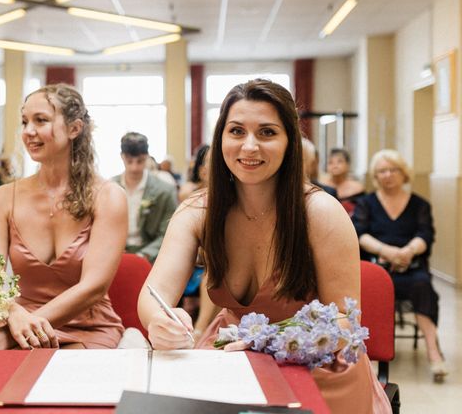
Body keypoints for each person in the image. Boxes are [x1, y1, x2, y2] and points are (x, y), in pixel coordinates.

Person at [138, 80, 391, 413]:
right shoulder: (197, 211)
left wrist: (267, 340)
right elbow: (153, 293)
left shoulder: (321, 212)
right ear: (221, 139)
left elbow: (344, 320)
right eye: (237, 131)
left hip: (317, 367)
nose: (250, 146)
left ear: (290, 143)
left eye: (267, 133)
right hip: (232, 359)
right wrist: (159, 321)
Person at [0, 84, 127, 350]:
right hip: (18, 323)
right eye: (25, 122)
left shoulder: (108, 196)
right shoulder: (4, 197)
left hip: (87, 328)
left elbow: (93, 286)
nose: (28, 131)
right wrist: (13, 318)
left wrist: (21, 331)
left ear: (74, 129)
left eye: (41, 121)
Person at [353, 149, 447, 382]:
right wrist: (387, 251)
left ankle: (433, 352)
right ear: (376, 175)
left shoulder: (419, 204)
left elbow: (425, 234)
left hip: (410, 267)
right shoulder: (366, 203)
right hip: (378, 267)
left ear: (403, 173)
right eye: (381, 171)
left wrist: (407, 251)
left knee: (423, 285)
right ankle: (370, 356)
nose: (387, 175)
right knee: (370, 290)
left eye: (392, 170)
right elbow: (359, 233)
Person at [112, 132, 177, 264]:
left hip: (151, 257)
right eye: (129, 161)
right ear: (122, 157)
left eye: (140, 161)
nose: (134, 167)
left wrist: (144, 255)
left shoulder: (164, 191)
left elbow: (168, 233)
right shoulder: (110, 188)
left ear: (147, 157)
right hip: (115, 254)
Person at [324, 147, 365, 215]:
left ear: (348, 165)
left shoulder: (358, 188)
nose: (335, 165)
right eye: (330, 162)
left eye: (339, 161)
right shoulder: (321, 186)